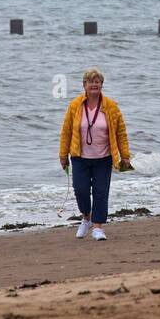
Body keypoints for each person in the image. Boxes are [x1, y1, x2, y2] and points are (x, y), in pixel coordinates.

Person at [58, 68, 131, 240]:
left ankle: (98, 227)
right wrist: (63, 155)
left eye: (97, 81)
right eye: (90, 82)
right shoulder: (75, 105)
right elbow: (66, 132)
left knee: (100, 192)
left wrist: (125, 156)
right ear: (84, 85)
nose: (94, 85)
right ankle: (86, 218)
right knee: (80, 190)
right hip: (79, 157)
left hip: (104, 158)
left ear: (101, 85)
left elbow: (121, 132)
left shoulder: (111, 107)